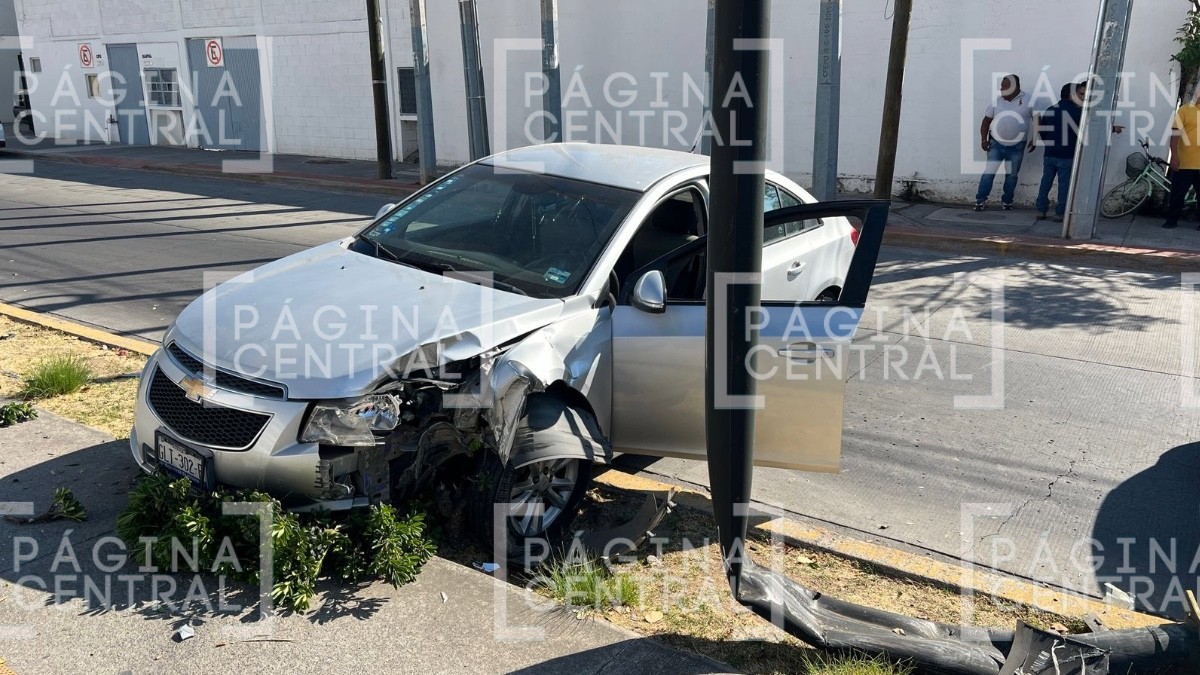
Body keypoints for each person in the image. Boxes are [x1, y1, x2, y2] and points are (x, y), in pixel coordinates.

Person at [975, 74, 1035, 211]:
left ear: (1016, 87)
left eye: (1006, 86)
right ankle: (980, 200)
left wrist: (1035, 139)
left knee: (1012, 175)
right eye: (1002, 86)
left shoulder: (1028, 100)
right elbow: (986, 122)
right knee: (989, 173)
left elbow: (1037, 119)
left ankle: (1007, 201)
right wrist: (984, 139)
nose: (1002, 89)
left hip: (1017, 146)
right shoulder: (997, 102)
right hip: (996, 144)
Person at [1033, 83, 1083, 222]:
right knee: (1064, 184)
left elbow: (1042, 131)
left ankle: (1041, 209)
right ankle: (1060, 212)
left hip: (1049, 153)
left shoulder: (1050, 110)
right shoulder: (1078, 112)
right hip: (1067, 154)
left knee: (1046, 182)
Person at [1163, 92, 1200, 229]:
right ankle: (1171, 220)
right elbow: (1175, 134)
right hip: (1185, 161)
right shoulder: (1185, 110)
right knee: (1178, 193)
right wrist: (1174, 156)